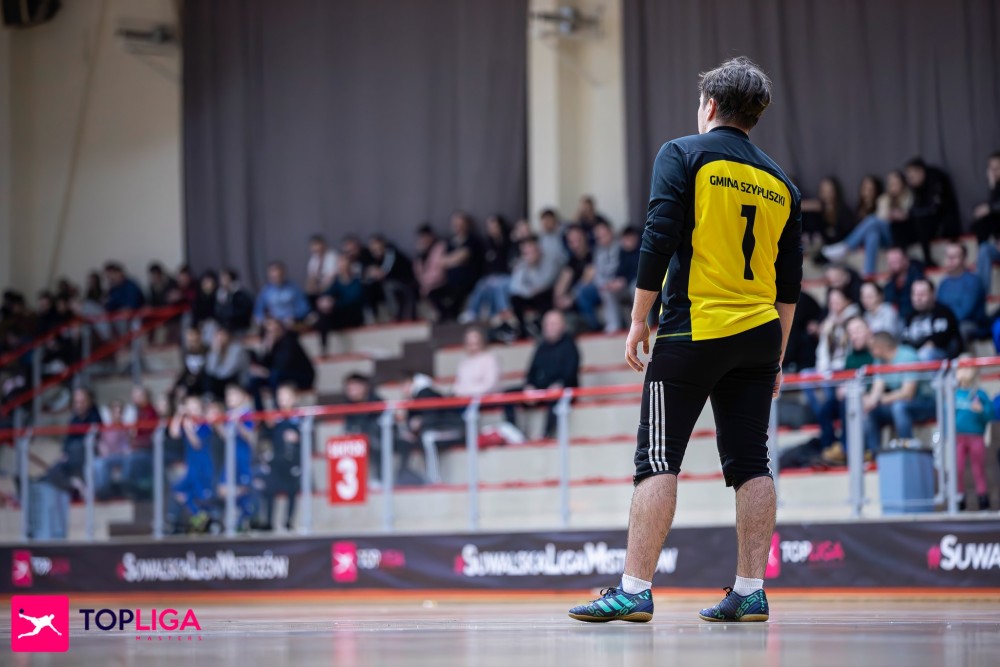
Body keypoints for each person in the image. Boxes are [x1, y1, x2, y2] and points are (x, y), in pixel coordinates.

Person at [568, 58, 801, 624]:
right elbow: (789, 286)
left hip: (693, 329)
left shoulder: (683, 154)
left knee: (657, 458)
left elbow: (658, 235)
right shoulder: (782, 184)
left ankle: (634, 589)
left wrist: (638, 319)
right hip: (759, 335)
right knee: (752, 462)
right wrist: (776, 357)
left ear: (710, 106)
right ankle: (750, 590)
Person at [503, 309, 580, 439]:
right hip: (540, 389)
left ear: (562, 326)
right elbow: (531, 371)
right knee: (508, 394)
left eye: (553, 324)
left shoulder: (570, 346)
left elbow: (570, 373)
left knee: (556, 398)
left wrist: (559, 385)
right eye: (547, 324)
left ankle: (547, 435)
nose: (550, 327)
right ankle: (513, 432)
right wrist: (529, 386)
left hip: (561, 390)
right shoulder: (541, 346)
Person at [863, 332, 936, 458]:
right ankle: (874, 456)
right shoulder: (879, 361)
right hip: (900, 404)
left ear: (881, 346)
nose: (870, 351)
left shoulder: (908, 356)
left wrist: (880, 399)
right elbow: (876, 391)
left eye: (872, 348)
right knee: (871, 412)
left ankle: (907, 452)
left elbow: (908, 394)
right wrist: (868, 402)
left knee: (899, 407)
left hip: (925, 403)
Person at [823, 173, 903, 276]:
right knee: (872, 234)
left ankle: (845, 247)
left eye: (870, 189)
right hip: (876, 240)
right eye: (864, 189)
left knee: (872, 220)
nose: (867, 192)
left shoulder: (893, 199)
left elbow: (883, 219)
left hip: (894, 237)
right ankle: (869, 273)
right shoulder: (864, 206)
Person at [166, 395, 216, 533]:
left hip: (203, 467)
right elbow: (174, 433)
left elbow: (197, 444)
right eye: (189, 407)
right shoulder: (187, 423)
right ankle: (198, 515)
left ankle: (209, 521)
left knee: (203, 496)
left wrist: (188, 429)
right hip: (191, 467)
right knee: (178, 490)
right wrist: (179, 414)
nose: (192, 410)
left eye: (195, 407)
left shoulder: (205, 425)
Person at [902, 157, 962, 267]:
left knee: (920, 220)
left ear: (920, 172)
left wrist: (912, 213)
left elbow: (934, 207)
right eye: (908, 177)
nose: (910, 180)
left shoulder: (935, 180)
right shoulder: (915, 187)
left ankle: (928, 259)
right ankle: (901, 258)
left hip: (943, 222)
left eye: (912, 177)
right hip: (926, 223)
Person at [246, 317, 315, 410]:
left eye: (274, 330)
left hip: (301, 375)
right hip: (279, 375)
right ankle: (260, 412)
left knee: (275, 375)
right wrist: (266, 349)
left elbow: (282, 365)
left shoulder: (289, 340)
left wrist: (266, 372)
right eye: (268, 331)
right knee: (254, 380)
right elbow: (266, 365)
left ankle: (277, 409)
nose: (271, 333)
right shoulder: (270, 344)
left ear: (280, 329)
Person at [259, 384, 302, 530]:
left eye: (286, 397)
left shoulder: (299, 417)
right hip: (276, 460)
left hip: (293, 461)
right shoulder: (274, 418)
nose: (283, 400)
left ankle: (288, 521)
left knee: (292, 491)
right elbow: (266, 437)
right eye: (280, 397)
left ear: (294, 398)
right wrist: (268, 426)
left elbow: (307, 437)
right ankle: (268, 521)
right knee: (269, 490)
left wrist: (297, 437)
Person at [460, 215, 515, 324]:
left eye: (494, 226)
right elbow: (486, 265)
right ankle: (471, 311)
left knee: (499, 285)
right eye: (489, 227)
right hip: (491, 276)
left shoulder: (509, 242)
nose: (492, 229)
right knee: (481, 285)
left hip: (507, 276)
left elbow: (510, 264)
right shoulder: (487, 244)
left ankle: (504, 312)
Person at [953, 361, 993, 511]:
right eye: (961, 368)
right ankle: (959, 500)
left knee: (978, 469)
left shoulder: (980, 393)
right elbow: (947, 415)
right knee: (958, 468)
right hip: (958, 438)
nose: (964, 372)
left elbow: (990, 414)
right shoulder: (953, 394)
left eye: (968, 368)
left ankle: (983, 501)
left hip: (976, 436)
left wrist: (981, 410)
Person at [574, 219, 623, 333]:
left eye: (604, 234)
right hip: (603, 285)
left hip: (619, 283)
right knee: (583, 292)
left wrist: (612, 282)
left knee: (608, 292)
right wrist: (603, 284)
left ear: (610, 231)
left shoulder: (621, 246)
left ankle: (615, 325)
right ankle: (594, 327)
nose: (601, 238)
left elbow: (622, 268)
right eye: (598, 236)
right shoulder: (597, 251)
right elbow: (597, 272)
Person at [508, 236, 561, 339]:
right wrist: (528, 291)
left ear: (538, 249)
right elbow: (515, 288)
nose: (528, 255)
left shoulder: (549, 261)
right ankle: (522, 329)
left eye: (530, 251)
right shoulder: (522, 264)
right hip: (530, 295)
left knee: (543, 296)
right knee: (515, 299)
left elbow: (545, 283)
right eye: (525, 252)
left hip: (546, 296)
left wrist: (532, 268)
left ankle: (544, 327)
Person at [900, 279, 963, 361]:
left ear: (933, 294)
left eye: (922, 294)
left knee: (925, 353)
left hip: (944, 356)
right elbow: (905, 341)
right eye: (914, 294)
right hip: (916, 356)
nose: (918, 298)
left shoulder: (943, 312)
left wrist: (918, 352)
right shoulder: (910, 316)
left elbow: (939, 340)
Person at [936, 243, 987, 342]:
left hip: (970, 324)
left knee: (958, 331)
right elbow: (939, 308)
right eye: (948, 257)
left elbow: (965, 312)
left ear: (964, 259)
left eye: (954, 257)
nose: (950, 261)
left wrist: (945, 323)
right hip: (948, 323)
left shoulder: (973, 281)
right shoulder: (944, 283)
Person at [315, 259, 365, 352]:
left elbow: (354, 300)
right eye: (341, 267)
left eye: (345, 266)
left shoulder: (357, 282)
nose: (343, 269)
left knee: (328, 310)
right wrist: (324, 301)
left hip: (353, 315)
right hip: (338, 315)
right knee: (323, 315)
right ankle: (323, 346)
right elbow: (327, 294)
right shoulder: (336, 282)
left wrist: (334, 304)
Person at [801, 176, 853, 262]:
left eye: (829, 191)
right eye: (824, 191)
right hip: (824, 247)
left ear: (835, 192)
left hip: (842, 245)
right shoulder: (817, 211)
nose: (827, 195)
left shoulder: (843, 211)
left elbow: (847, 232)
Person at [366, 234, 416, 321]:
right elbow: (368, 274)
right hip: (389, 283)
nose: (375, 249)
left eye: (377, 246)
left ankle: (396, 315)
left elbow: (383, 272)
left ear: (382, 244)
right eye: (373, 247)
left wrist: (375, 272)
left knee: (388, 286)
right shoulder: (371, 257)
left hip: (404, 282)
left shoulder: (390, 253)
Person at [93, 400, 131, 499]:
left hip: (121, 456)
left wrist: (123, 452)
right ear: (110, 413)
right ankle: (101, 491)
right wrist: (104, 451)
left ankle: (124, 490)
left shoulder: (126, 428)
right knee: (97, 463)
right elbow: (101, 443)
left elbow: (126, 446)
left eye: (120, 412)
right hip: (108, 456)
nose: (118, 415)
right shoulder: (105, 428)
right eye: (115, 412)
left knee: (105, 463)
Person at [973, 152, 1000, 292]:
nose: (993, 172)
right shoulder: (996, 188)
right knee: (984, 250)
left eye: (997, 168)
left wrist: (990, 208)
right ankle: (982, 295)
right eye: (991, 168)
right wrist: (992, 187)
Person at [252, 262, 310, 327]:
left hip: (292, 321)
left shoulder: (293, 288)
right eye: (274, 276)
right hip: (274, 322)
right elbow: (259, 309)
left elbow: (303, 307)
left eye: (279, 276)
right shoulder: (266, 291)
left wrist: (294, 316)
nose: (276, 277)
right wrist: (262, 319)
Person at [412, 224, 449, 320]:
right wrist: (420, 255)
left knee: (432, 293)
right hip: (426, 284)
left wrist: (426, 285)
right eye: (421, 238)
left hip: (441, 282)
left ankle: (445, 316)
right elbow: (418, 272)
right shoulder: (421, 252)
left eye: (425, 237)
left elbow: (440, 272)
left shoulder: (440, 248)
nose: (423, 240)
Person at [452, 327, 501, 397]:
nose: (473, 347)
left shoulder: (490, 359)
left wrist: (468, 392)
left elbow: (490, 386)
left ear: (482, 343)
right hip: (464, 399)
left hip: (486, 400)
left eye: (475, 344)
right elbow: (457, 386)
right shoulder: (463, 362)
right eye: (469, 344)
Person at [882, 248, 925, 320]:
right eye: (890, 261)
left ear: (906, 259)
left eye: (895, 261)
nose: (892, 264)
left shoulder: (918, 279)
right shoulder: (890, 283)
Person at [205, 327, 247, 399]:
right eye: (218, 336)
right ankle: (210, 399)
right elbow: (210, 370)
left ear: (228, 336)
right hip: (220, 381)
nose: (220, 339)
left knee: (217, 379)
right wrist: (215, 352)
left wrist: (216, 372)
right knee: (207, 377)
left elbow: (227, 371)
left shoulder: (236, 349)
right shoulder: (214, 349)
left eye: (223, 336)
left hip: (237, 380)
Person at [215, 269, 255, 334]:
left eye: (225, 278)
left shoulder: (240, 294)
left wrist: (230, 314)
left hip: (241, 327)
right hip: (225, 328)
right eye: (221, 279)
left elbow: (244, 310)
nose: (223, 281)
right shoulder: (219, 295)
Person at [304, 234, 339, 308]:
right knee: (307, 293)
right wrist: (311, 288)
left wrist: (318, 290)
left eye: (316, 245)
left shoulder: (333, 256)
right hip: (319, 288)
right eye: (312, 246)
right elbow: (311, 277)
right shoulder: (314, 259)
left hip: (332, 287)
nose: (315, 248)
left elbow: (331, 279)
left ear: (323, 245)